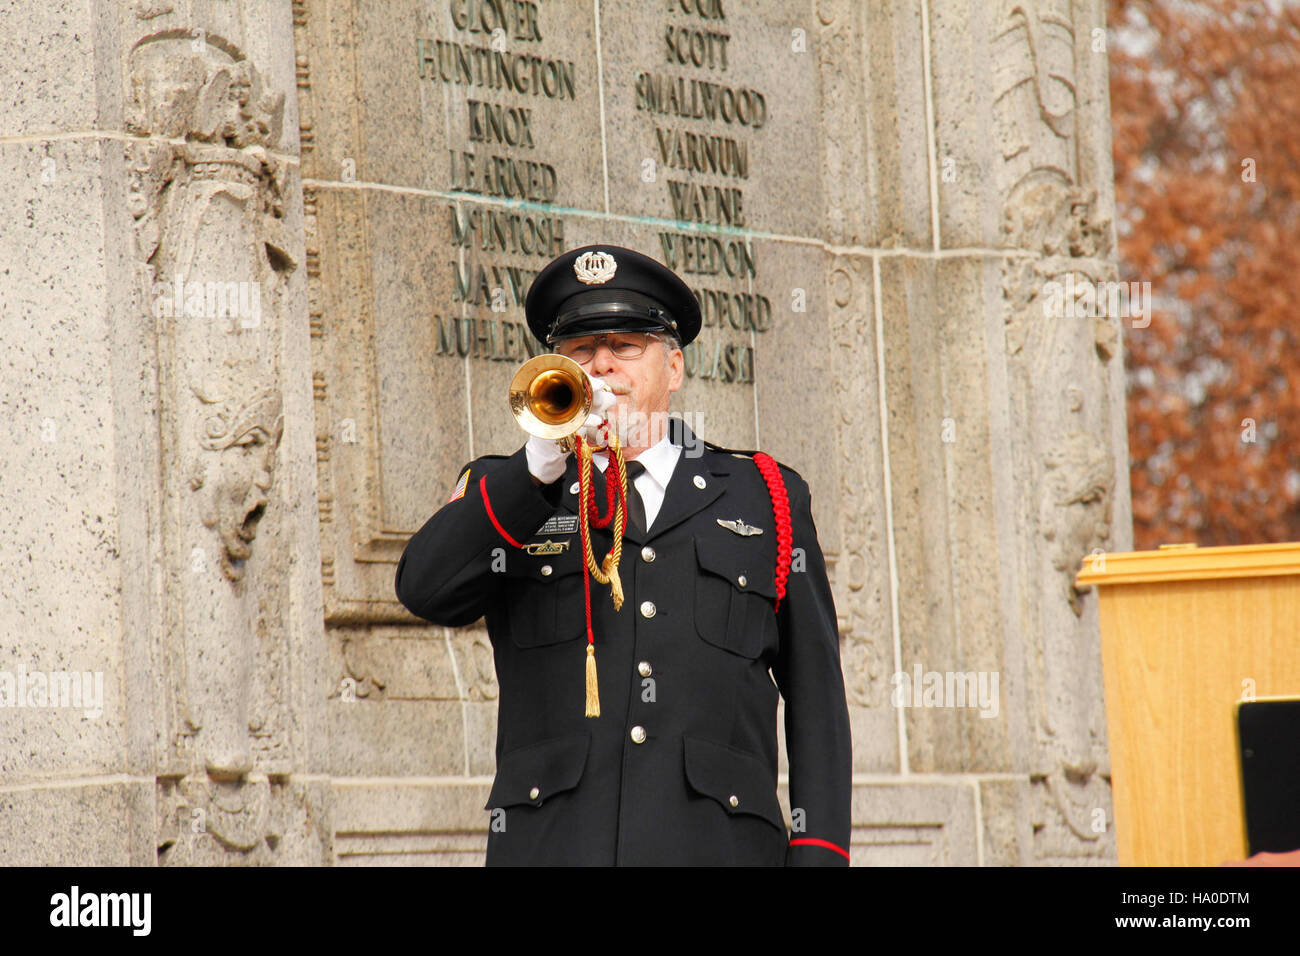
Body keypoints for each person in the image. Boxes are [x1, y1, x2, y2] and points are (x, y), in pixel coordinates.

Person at [395, 244, 852, 865]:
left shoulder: (764, 494)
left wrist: (819, 853)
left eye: (625, 347)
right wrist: (536, 469)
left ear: (675, 367)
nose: (602, 366)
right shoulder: (512, 488)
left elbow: (816, 697)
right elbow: (425, 589)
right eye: (582, 352)